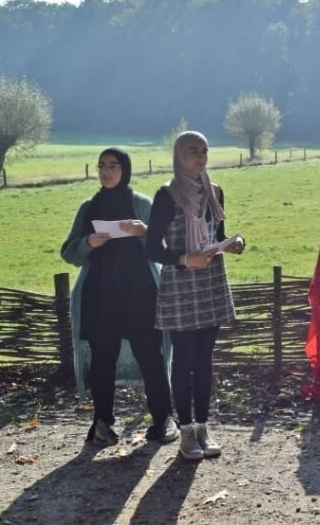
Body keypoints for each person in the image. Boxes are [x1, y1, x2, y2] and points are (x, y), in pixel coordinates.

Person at [61, 148, 177, 447]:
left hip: (140, 294)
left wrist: (144, 232)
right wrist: (87, 242)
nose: (106, 172)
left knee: (150, 355)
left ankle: (164, 419)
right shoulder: (88, 208)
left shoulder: (141, 204)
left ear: (125, 169)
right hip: (100, 295)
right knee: (102, 359)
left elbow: (166, 246)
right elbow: (68, 252)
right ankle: (102, 423)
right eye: (101, 166)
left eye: (113, 166)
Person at [146, 131, 243, 461]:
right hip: (181, 286)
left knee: (204, 360)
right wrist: (185, 259)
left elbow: (216, 235)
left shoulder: (215, 192)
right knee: (184, 360)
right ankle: (186, 431)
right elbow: (151, 248)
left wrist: (230, 244)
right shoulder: (166, 195)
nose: (200, 157)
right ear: (178, 155)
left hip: (212, 283)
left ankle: (203, 426)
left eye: (204, 150)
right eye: (192, 151)